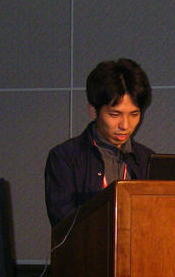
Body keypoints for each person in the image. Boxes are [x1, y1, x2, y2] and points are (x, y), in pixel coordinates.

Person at [45, 58, 154, 227]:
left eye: (134, 114)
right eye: (115, 115)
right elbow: (64, 223)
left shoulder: (147, 159)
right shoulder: (65, 158)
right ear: (93, 111)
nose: (125, 125)